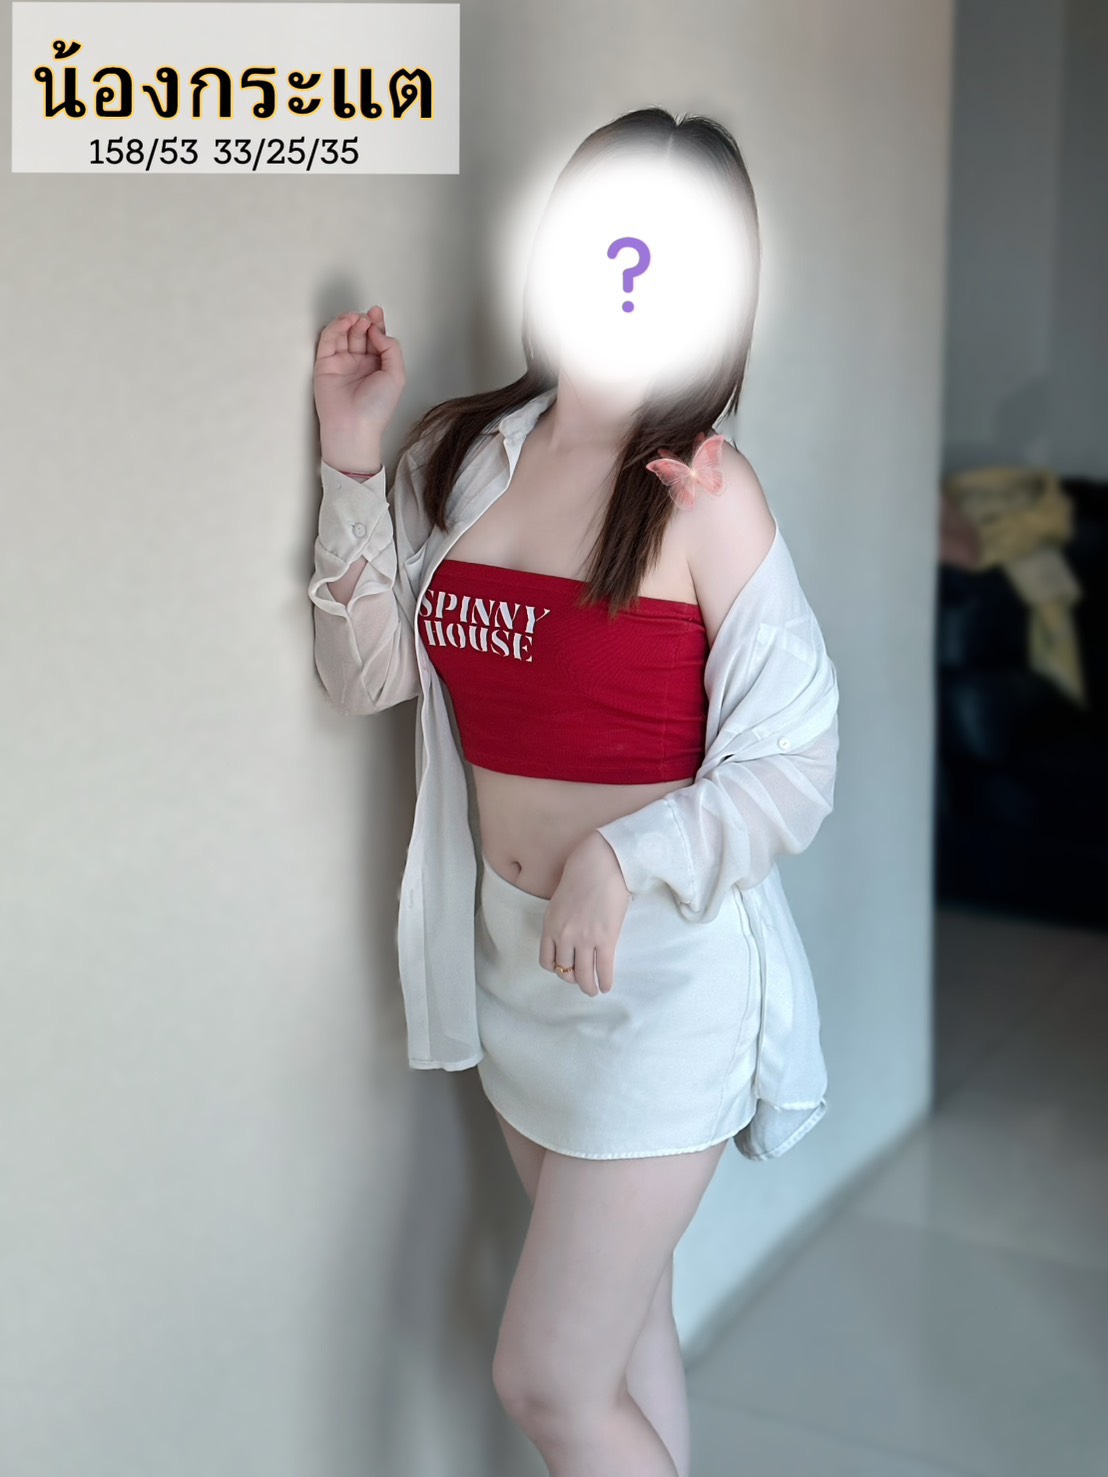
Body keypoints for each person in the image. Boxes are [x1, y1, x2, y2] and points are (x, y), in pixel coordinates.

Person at [308, 107, 840, 1477]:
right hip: (517, 973)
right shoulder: (465, 454)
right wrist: (352, 456)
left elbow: (794, 763)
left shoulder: (706, 493)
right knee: (623, 1337)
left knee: (545, 1380)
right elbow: (368, 675)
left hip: (659, 986)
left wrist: (623, 856)